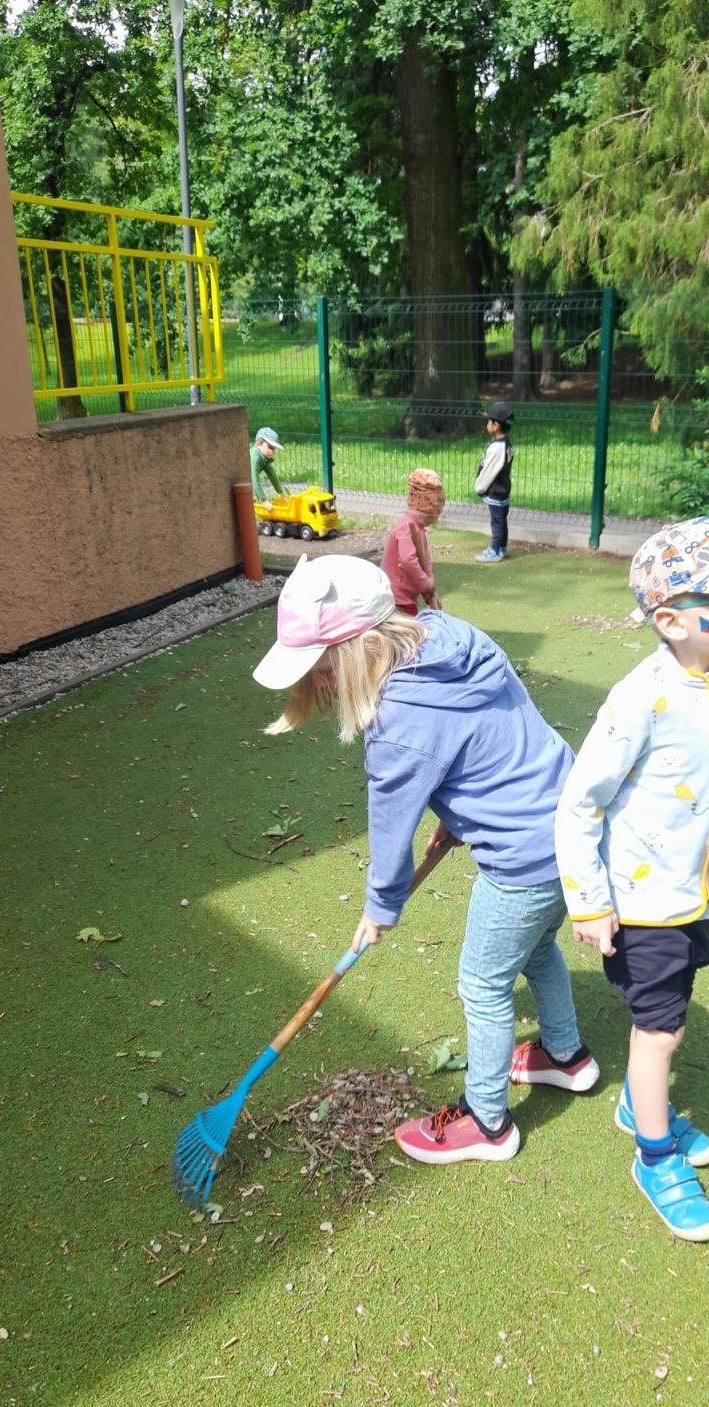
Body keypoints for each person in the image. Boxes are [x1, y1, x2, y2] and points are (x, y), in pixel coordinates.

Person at [253, 553, 599, 1165]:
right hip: (571, 829)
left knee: (483, 984)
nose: (320, 684)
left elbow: (391, 829)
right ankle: (565, 1057)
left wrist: (380, 907)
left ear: (358, 649)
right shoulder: (450, 639)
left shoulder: (396, 724)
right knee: (536, 948)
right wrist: (459, 813)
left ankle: (486, 1123)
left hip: (522, 857)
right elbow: (488, 737)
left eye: (322, 668)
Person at [553, 518, 709, 1242]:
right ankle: (654, 1157)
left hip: (694, 895)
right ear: (669, 621)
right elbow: (579, 803)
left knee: (672, 1015)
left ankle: (639, 1106)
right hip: (641, 902)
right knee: (659, 1031)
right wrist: (588, 903)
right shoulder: (641, 698)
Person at [381, 468, 444, 616]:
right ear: (429, 511)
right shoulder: (407, 528)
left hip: (405, 597)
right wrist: (425, 584)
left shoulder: (418, 528)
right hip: (396, 598)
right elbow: (407, 560)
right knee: (408, 628)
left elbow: (424, 565)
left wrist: (430, 593)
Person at [474, 402, 514, 564]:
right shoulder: (506, 443)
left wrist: (480, 488)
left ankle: (495, 550)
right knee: (502, 520)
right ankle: (502, 547)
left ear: (496, 426)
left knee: (497, 522)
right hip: (503, 490)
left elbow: (489, 471)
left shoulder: (496, 448)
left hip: (495, 491)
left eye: (488, 421)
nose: (487, 425)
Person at [250, 426, 287, 509]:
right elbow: (254, 479)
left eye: (274, 449)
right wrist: (264, 501)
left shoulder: (265, 458)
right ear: (259, 443)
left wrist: (281, 493)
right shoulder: (254, 457)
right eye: (269, 447)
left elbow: (273, 476)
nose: (272, 451)